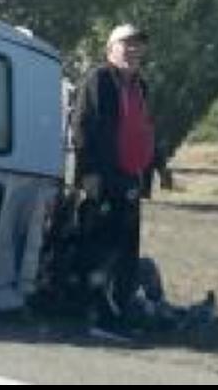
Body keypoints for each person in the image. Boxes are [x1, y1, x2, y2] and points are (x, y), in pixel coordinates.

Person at [71, 24, 157, 340]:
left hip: (130, 179)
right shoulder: (99, 79)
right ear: (110, 49)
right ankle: (97, 317)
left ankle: (119, 310)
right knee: (101, 249)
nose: (133, 50)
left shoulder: (140, 87)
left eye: (138, 45)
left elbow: (142, 128)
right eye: (126, 44)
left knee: (126, 252)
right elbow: (82, 126)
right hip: (104, 179)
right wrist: (93, 174)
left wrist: (155, 165)